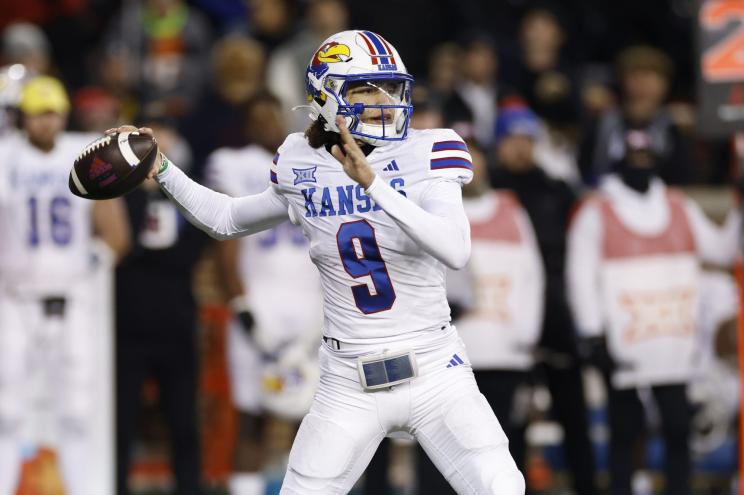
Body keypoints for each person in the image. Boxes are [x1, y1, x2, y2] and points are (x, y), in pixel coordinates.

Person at [109, 29, 525, 494]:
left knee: (501, 486)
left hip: (434, 368)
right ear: (327, 97)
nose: (384, 100)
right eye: (366, 88)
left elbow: (454, 248)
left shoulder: (427, 150)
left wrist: (373, 184)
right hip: (348, 380)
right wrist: (162, 168)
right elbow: (226, 218)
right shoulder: (298, 161)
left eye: (390, 87)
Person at [567, 128, 739, 495]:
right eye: (634, 158)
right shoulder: (598, 210)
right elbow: (580, 275)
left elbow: (722, 250)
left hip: (672, 343)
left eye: (647, 158)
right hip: (622, 344)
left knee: (678, 428)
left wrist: (739, 207)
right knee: (626, 432)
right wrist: (592, 332)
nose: (641, 165)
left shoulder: (678, 205)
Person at [0, 76, 130, 495]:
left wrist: (93, 261)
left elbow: (116, 233)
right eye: (38, 114)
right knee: (6, 409)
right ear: (23, 117)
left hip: (72, 299)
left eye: (52, 113)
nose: (45, 122)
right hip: (14, 299)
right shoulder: (6, 157)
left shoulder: (82, 154)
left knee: (77, 409)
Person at [204, 91, 323, 495]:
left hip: (311, 307)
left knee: (312, 422)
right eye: (257, 117)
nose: (266, 124)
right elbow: (226, 240)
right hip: (260, 302)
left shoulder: (312, 160)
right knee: (251, 418)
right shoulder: (232, 164)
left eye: (272, 115)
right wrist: (240, 305)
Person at [417, 138, 544, 494]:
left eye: (475, 156)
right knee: (440, 449)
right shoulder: (428, 209)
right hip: (446, 357)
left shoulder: (511, 209)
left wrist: (526, 335)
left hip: (504, 354)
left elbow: (533, 275)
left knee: (501, 449)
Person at [489, 99, 597, 495]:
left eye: (526, 138)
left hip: (556, 317)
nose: (519, 146)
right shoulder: (490, 190)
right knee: (508, 423)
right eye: (511, 137)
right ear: (498, 143)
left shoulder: (559, 190)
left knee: (574, 416)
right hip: (507, 319)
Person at [115, 115, 207, 495]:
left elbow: (192, 249)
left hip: (176, 323)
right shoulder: (122, 194)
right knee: (120, 424)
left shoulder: (189, 193)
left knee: (184, 423)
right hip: (128, 325)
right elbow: (122, 245)